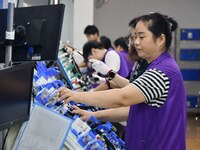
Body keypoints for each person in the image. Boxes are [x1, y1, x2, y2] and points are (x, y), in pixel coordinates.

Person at [58, 13, 186, 149]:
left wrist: (78, 96)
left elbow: (122, 97)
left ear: (160, 39)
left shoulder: (163, 72)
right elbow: (132, 110)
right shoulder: (155, 66)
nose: (136, 42)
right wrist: (93, 115)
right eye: (135, 37)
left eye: (141, 37)